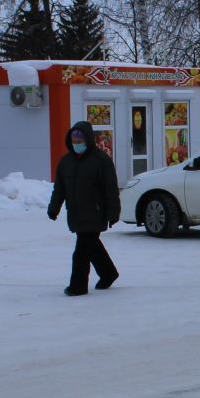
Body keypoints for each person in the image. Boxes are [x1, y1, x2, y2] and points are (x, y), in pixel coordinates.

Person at [47, 121, 121, 295]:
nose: (77, 144)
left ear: (88, 140)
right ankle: (108, 273)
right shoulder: (66, 162)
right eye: (74, 141)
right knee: (92, 246)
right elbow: (59, 189)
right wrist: (54, 207)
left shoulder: (101, 161)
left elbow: (110, 189)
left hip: (96, 213)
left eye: (80, 141)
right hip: (76, 213)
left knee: (81, 251)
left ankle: (78, 286)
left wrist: (113, 212)